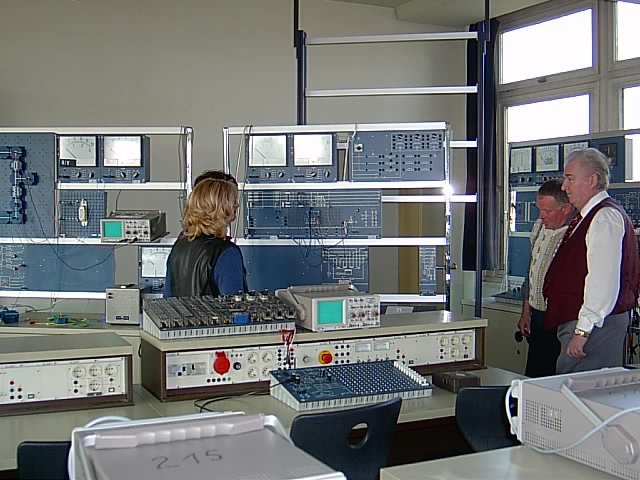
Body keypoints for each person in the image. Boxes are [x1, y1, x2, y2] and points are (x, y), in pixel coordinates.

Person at [543, 148, 640, 374]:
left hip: (596, 326)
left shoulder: (604, 217)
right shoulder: (587, 216)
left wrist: (583, 330)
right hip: (584, 322)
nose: (564, 186)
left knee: (580, 388)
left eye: (570, 178)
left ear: (592, 180)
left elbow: (602, 280)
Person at [517, 179, 575, 377]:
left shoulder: (575, 233)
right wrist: (526, 312)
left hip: (561, 318)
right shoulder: (539, 227)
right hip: (538, 315)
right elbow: (531, 272)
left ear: (566, 209)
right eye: (539, 209)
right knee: (534, 373)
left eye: (547, 211)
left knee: (555, 375)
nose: (541, 216)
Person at [163, 173, 246, 297]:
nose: (237, 205)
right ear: (219, 207)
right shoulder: (226, 253)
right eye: (233, 201)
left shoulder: (180, 246)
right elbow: (235, 303)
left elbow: (168, 298)